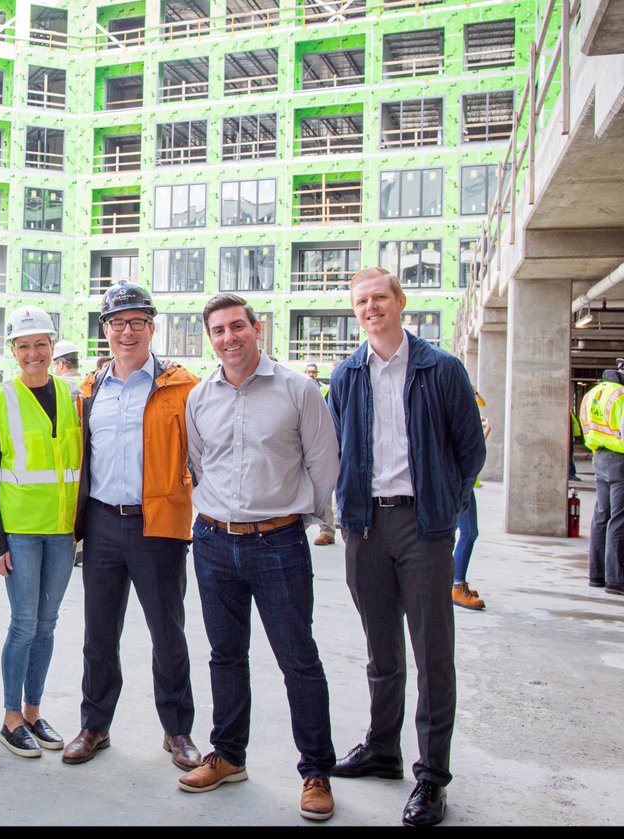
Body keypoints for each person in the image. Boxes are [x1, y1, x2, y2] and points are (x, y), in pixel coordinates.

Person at [329, 267, 486, 827]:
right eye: (360, 301)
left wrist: (440, 504)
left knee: (433, 655)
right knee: (381, 653)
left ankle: (432, 777)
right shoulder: (346, 374)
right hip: (365, 527)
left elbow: (471, 451)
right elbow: (338, 447)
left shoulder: (441, 369)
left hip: (423, 527)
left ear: (400, 301)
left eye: (379, 297)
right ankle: (381, 749)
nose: (370, 307)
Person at [177, 294, 339, 821]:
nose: (229, 338)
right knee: (225, 656)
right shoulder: (199, 398)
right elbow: (201, 464)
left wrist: (295, 520)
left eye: (237, 327)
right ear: (211, 338)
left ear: (257, 328)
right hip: (215, 542)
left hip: (278, 545)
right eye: (219, 330)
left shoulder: (298, 390)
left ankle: (316, 770)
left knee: (299, 659)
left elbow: (324, 462)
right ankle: (228, 756)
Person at [62, 281, 201, 771]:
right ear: (105, 329)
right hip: (100, 526)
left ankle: (177, 731)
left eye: (137, 322)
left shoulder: (181, 387)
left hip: (157, 526)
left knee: (168, 633)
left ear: (152, 327)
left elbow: (204, 457)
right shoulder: (88, 390)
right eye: (118, 322)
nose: (127, 331)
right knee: (98, 634)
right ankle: (94, 725)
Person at [0, 308, 82, 758]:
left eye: (41, 344)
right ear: (13, 352)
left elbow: (84, 464)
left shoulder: (74, 395)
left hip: (61, 531)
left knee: (47, 623)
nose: (33, 353)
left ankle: (34, 712)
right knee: (23, 624)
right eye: (24, 346)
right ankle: (9, 720)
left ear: (53, 347)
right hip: (19, 530)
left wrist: (81, 529)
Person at [580, 367, 624, 595]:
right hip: (620, 460)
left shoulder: (593, 394)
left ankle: (596, 575)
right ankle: (616, 580)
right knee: (619, 518)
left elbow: (585, 427)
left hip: (599, 457)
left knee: (601, 516)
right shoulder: (621, 396)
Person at [452, 394, 492, 611]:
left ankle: (456, 580)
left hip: (458, 481)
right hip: (459, 482)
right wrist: (485, 431)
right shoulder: (460, 410)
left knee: (465, 532)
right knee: (468, 532)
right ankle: (456, 584)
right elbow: (471, 448)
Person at [305, 363, 337, 547]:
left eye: (313, 372)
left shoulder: (312, 389)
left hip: (324, 437)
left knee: (324, 485)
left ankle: (327, 529)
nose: (311, 374)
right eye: (308, 372)